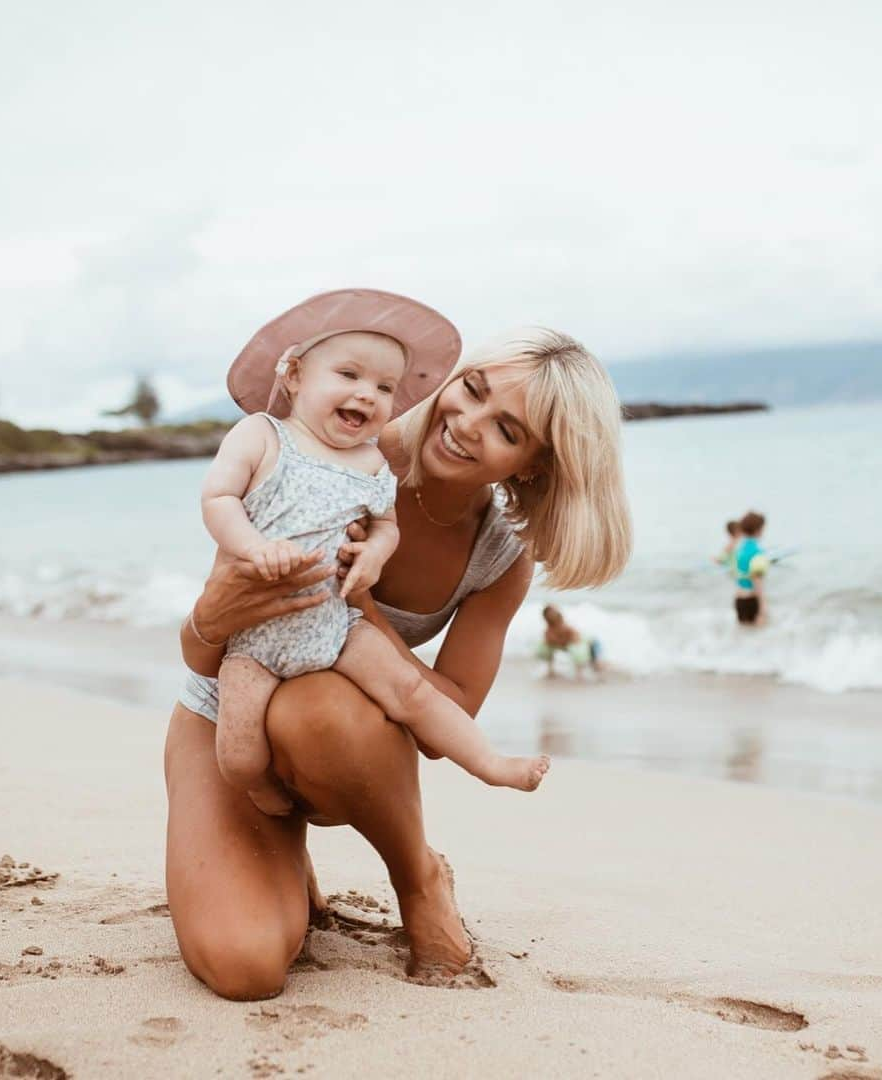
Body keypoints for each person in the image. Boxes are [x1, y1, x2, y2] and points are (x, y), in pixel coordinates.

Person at [166, 296, 632, 1000]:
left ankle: (419, 876)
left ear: (534, 465)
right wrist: (211, 616)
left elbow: (448, 720)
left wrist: (361, 614)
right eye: (471, 391)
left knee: (320, 707)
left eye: (506, 428)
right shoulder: (337, 444)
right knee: (245, 965)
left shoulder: (498, 556)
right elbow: (206, 653)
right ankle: (280, 857)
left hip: (341, 742)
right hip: (226, 712)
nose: (467, 425)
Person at [201, 301, 549, 815]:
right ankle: (262, 795)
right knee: (239, 751)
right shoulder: (263, 437)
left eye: (385, 388)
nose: (366, 394)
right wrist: (255, 549)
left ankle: (490, 763)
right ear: (294, 375)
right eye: (347, 375)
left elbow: (386, 525)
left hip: (337, 625)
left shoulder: (370, 461)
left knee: (412, 691)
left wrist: (372, 563)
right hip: (258, 638)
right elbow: (218, 501)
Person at [536, 604, 604, 678]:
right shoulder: (548, 630)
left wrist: (563, 640)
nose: (551, 614)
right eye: (549, 613)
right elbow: (549, 641)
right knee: (546, 648)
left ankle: (584, 673)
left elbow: (576, 639)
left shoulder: (565, 626)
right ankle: (551, 670)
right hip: (570, 642)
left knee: (594, 663)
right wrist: (559, 641)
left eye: (552, 612)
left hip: (590, 642)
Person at [733, 511, 769, 626]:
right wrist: (762, 610)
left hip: (739, 599)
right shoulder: (757, 552)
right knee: (757, 637)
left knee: (745, 635)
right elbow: (756, 580)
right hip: (751, 600)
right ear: (758, 529)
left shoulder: (739, 550)